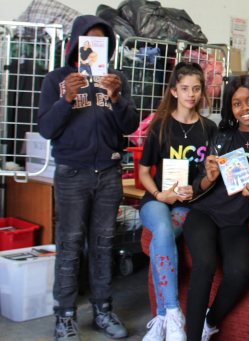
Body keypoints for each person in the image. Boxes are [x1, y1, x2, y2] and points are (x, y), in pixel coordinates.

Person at [38, 15, 138, 341]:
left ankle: (102, 310)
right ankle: (65, 316)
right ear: (76, 44)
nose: (95, 49)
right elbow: (47, 129)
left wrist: (117, 98)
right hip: (72, 174)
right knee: (69, 245)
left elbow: (130, 126)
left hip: (109, 173)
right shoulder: (58, 79)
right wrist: (65, 99)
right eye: (88, 42)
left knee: (103, 245)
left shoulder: (116, 79)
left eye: (101, 43)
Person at [184, 75, 249, 340]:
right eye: (237, 104)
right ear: (230, 109)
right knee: (204, 266)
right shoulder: (221, 138)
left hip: (238, 221)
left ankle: (211, 321)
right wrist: (209, 176)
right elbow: (198, 185)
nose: (245, 109)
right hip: (205, 213)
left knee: (240, 273)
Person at [138, 62, 218, 341]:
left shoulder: (209, 128)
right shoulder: (160, 126)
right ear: (174, 91)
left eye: (196, 89)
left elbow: (210, 175)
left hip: (188, 204)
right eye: (184, 88)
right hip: (156, 201)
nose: (191, 94)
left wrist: (196, 190)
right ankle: (173, 312)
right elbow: (144, 172)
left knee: (164, 237)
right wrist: (160, 194)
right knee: (162, 229)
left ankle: (162, 318)